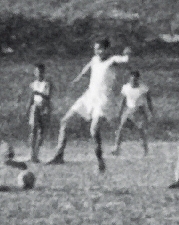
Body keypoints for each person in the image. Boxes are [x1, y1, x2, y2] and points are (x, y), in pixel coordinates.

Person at [49, 39, 132, 171]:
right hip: (89, 96)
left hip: (103, 99)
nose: (97, 51)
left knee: (94, 130)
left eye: (100, 49)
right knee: (65, 121)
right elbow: (88, 67)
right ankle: (59, 155)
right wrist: (78, 78)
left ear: (107, 49)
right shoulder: (94, 59)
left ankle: (100, 162)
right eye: (95, 49)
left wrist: (127, 54)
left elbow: (125, 60)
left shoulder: (112, 60)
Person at [112, 70, 155, 155]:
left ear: (138, 79)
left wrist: (150, 112)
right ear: (129, 79)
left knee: (141, 130)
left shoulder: (143, 88)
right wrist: (120, 112)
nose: (133, 81)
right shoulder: (125, 88)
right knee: (120, 129)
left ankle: (145, 150)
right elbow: (123, 101)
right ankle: (117, 148)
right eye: (132, 79)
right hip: (129, 110)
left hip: (139, 110)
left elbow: (149, 101)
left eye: (135, 79)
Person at [25, 63, 53, 162]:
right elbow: (31, 97)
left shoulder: (47, 83)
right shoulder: (33, 84)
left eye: (41, 72)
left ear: (43, 72)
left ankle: (36, 154)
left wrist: (39, 93)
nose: (39, 74)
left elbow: (48, 97)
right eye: (37, 72)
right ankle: (31, 154)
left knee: (41, 131)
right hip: (35, 107)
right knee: (33, 130)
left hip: (44, 107)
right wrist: (28, 108)